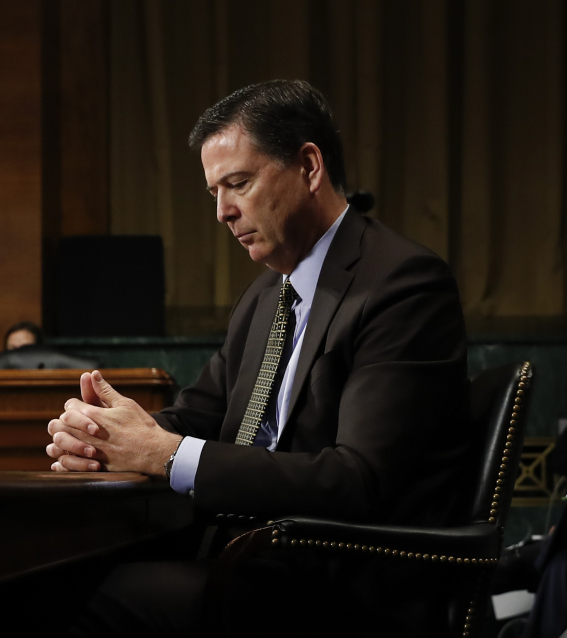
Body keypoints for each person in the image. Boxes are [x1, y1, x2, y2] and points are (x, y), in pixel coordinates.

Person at [46, 80, 469, 635]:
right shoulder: (267, 295)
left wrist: (166, 455)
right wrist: (105, 439)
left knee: (84, 597)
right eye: (214, 193)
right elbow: (199, 417)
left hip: (346, 586)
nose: (223, 212)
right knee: (45, 575)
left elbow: (358, 479)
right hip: (256, 561)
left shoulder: (401, 284)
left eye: (238, 183)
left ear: (309, 167)